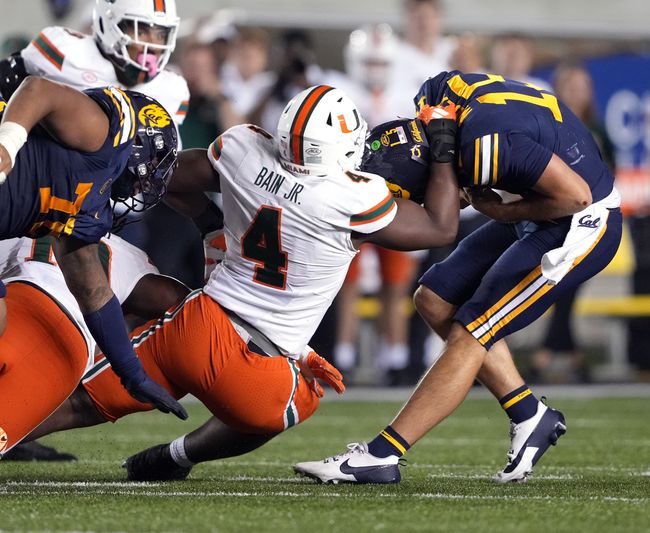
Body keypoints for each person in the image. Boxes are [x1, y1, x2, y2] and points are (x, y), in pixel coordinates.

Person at [24, 85, 461, 480]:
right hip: (261, 370)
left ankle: (9, 427)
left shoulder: (244, 148)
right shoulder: (353, 197)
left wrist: (208, 224)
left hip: (197, 324)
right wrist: (442, 152)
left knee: (81, 400)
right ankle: (175, 457)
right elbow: (441, 229)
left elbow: (163, 178)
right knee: (303, 395)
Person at [294, 70, 622, 484]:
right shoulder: (435, 97)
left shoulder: (486, 149)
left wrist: (505, 211)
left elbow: (576, 196)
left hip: (578, 220)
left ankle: (382, 455)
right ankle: (528, 414)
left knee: (474, 330)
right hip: (533, 198)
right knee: (433, 298)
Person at [0, 76, 185, 457]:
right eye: (153, 162)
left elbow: (93, 290)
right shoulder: (104, 136)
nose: (150, 177)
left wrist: (131, 374)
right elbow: (37, 89)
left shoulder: (90, 208)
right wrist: (5, 147)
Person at [0, 233, 190, 459]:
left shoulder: (23, 215)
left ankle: (13, 435)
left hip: (16, 308)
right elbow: (180, 303)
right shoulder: (122, 254)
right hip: (59, 341)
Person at [333, 24, 422, 382]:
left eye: (380, 62)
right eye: (368, 62)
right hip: (349, 195)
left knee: (396, 282)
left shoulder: (406, 96)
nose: (374, 70)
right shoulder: (339, 93)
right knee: (346, 280)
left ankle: (396, 358)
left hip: (394, 198)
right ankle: (343, 356)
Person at [529, 61, 615, 383]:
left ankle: (545, 354)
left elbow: (611, 173)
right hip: (550, 216)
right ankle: (569, 355)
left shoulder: (598, 130)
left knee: (567, 286)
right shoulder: (545, 124)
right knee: (560, 285)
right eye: (569, 86)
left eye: (581, 87)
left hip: (589, 219)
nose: (576, 94)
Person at [1, 0, 188, 125]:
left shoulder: (171, 91)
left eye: (161, 35)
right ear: (109, 24)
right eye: (140, 32)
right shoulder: (66, 52)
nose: (153, 45)